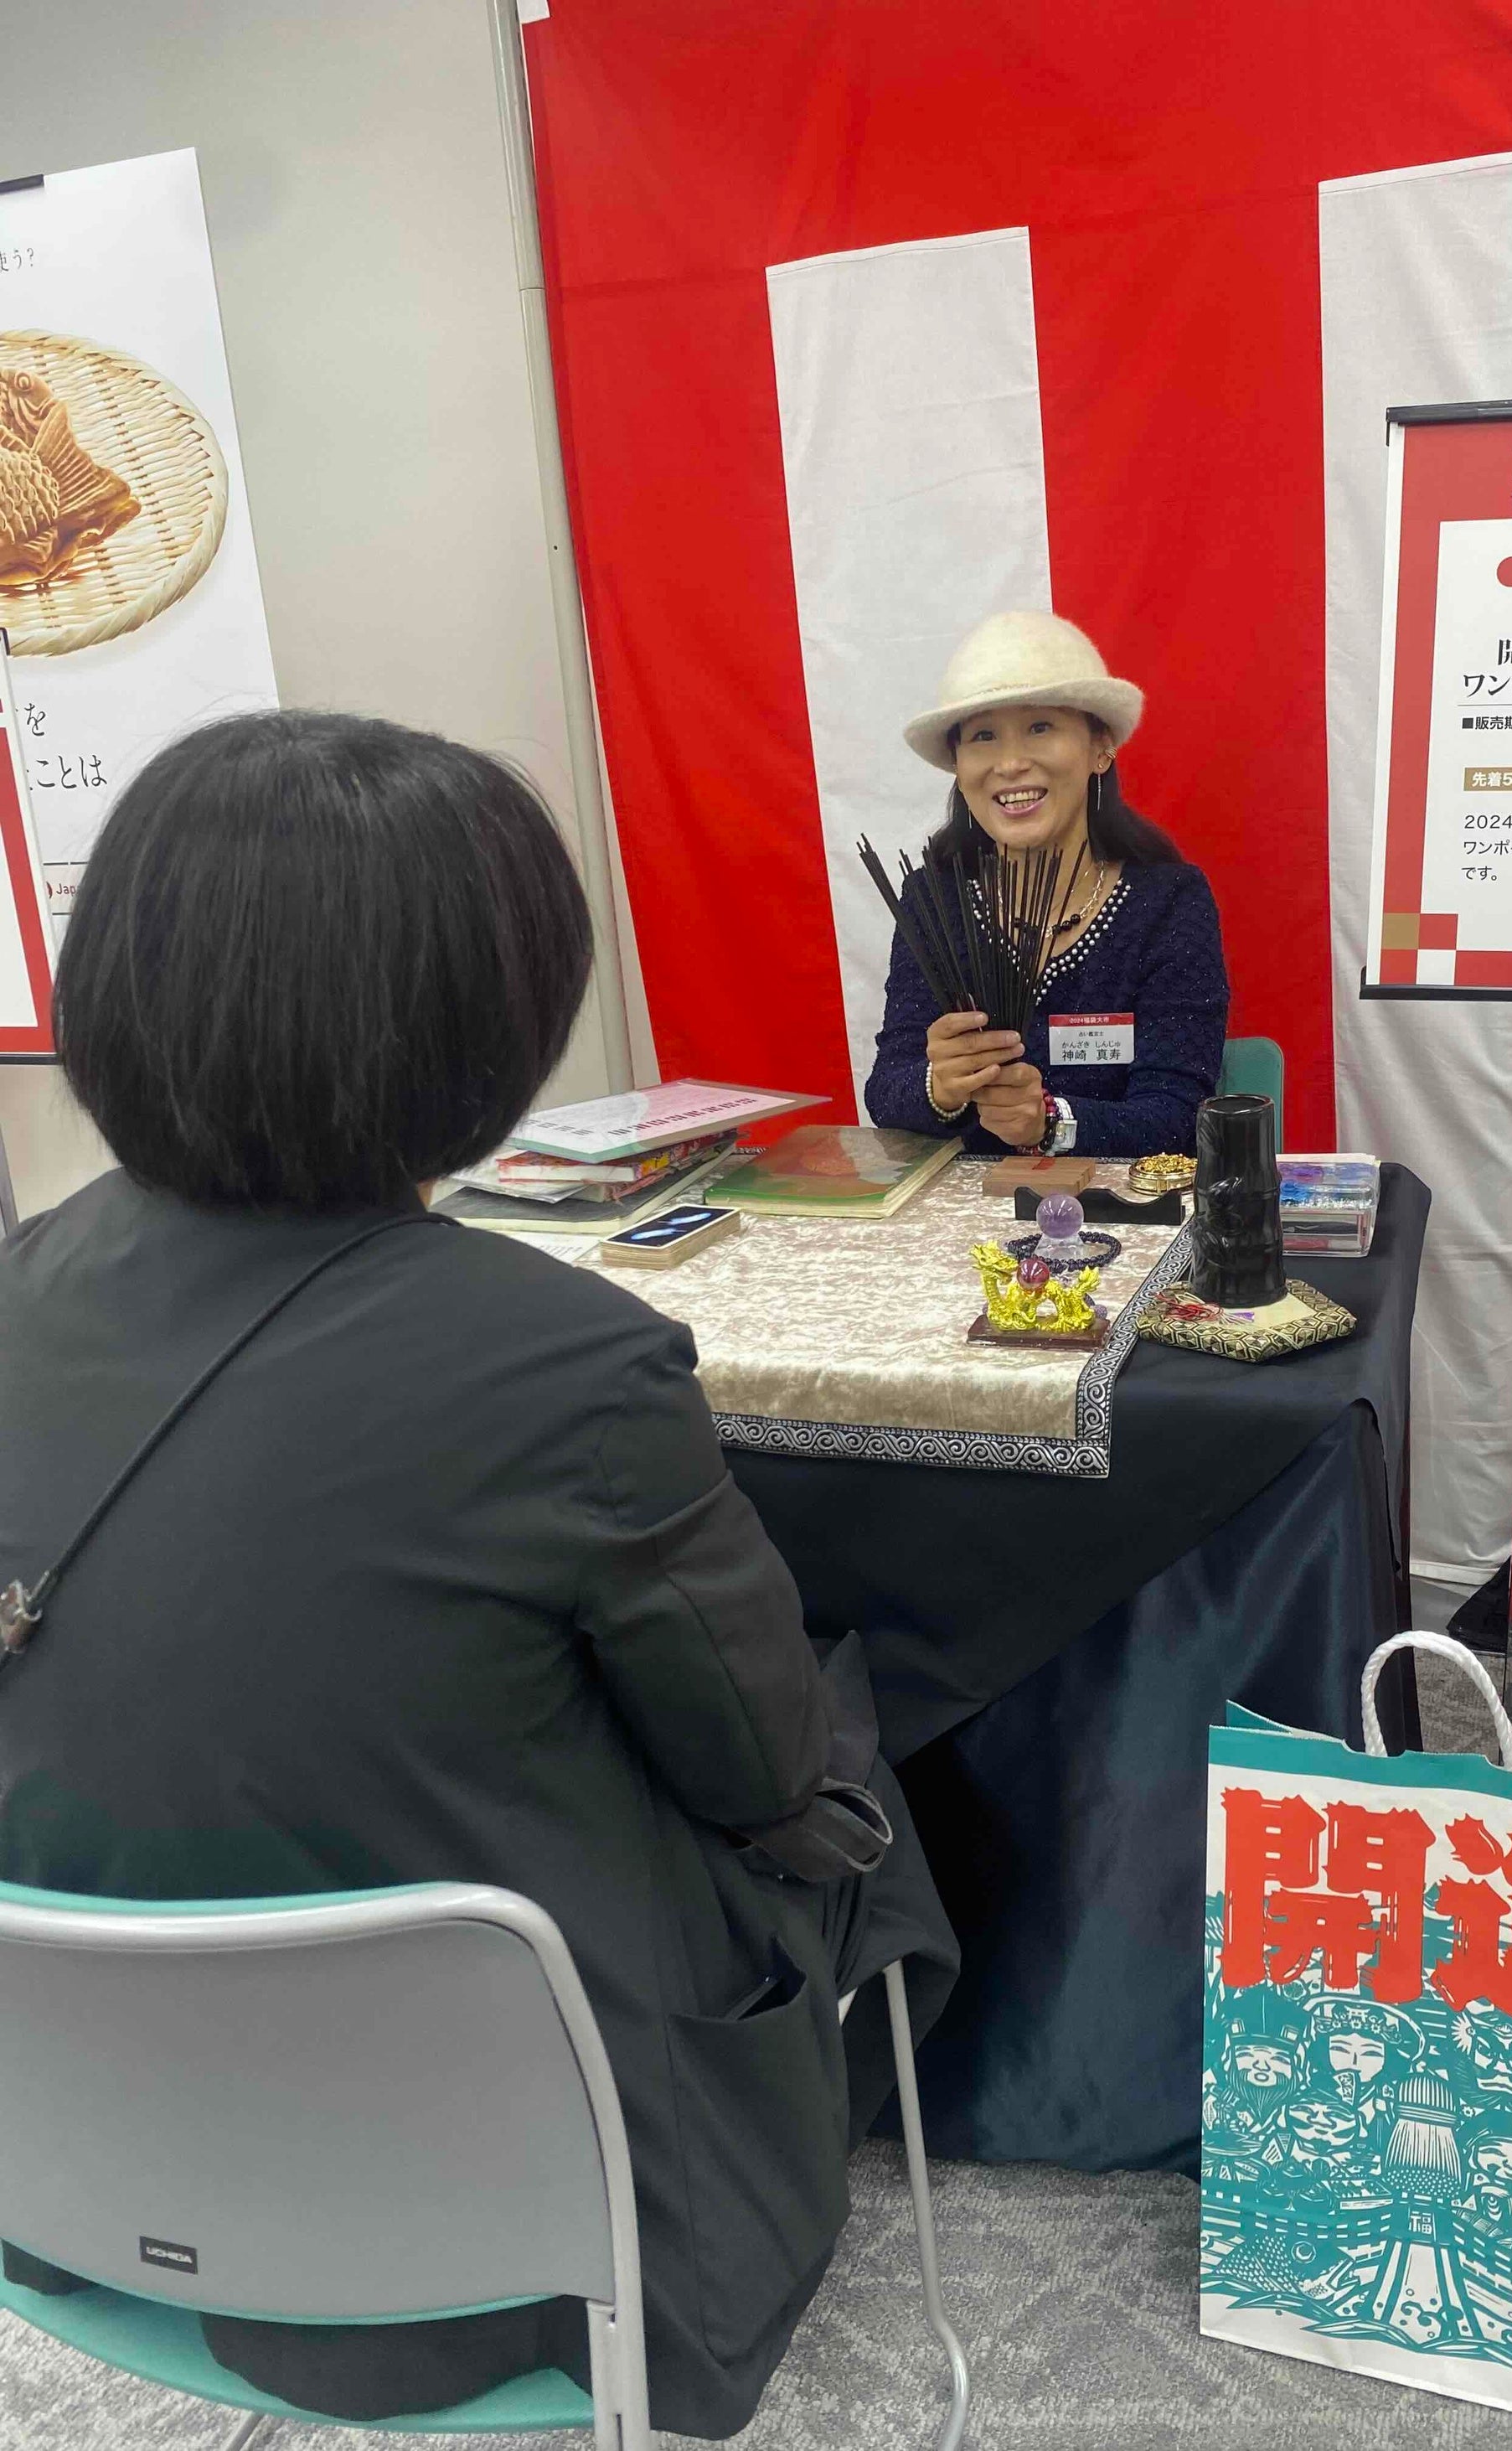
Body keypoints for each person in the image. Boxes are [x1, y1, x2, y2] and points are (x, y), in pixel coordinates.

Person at [0, 711, 956, 2438]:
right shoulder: (568, 1365)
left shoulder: (21, 1276)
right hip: (494, 2233)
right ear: (483, 1022)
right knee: (850, 1756)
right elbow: (758, 1775)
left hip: (66, 2168)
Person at [864, 610, 1228, 1157]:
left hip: (1117, 1203)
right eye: (983, 736)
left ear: (1100, 747)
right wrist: (939, 1086)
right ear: (958, 765)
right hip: (967, 1204)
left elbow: (1179, 1116)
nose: (1010, 763)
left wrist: (1049, 1122)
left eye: (1040, 727)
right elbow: (887, 1091)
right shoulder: (934, 899)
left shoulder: (1168, 902)